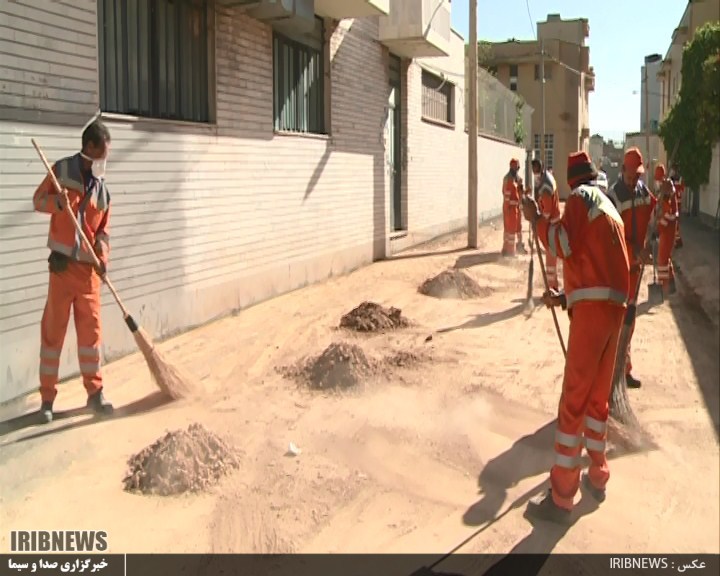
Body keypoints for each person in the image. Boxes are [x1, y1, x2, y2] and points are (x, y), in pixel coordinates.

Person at [521, 151, 630, 524]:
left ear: (571, 182)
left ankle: (562, 497)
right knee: (597, 400)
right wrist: (566, 296)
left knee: (574, 401)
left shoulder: (580, 200)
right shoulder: (609, 205)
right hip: (615, 306)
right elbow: (595, 259)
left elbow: (563, 245)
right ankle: (597, 476)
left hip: (595, 311)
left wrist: (536, 219)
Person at [33, 120, 114, 423]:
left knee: (91, 338)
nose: (105, 161)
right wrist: (57, 202)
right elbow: (37, 201)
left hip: (89, 276)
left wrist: (103, 257)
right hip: (62, 269)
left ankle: (95, 394)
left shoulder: (103, 191)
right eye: (103, 154)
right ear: (90, 147)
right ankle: (47, 401)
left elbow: (103, 232)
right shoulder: (62, 171)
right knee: (53, 335)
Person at [605, 147, 656, 390]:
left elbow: (652, 213)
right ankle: (610, 372)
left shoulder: (643, 192)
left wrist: (665, 197)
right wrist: (634, 249)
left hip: (635, 268)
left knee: (630, 320)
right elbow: (610, 238)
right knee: (617, 320)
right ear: (622, 169)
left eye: (638, 175)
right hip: (618, 267)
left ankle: (624, 370)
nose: (634, 179)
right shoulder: (613, 197)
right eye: (630, 175)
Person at [532, 158, 561, 290]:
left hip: (551, 226)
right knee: (551, 259)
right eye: (534, 170)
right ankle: (553, 285)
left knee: (550, 261)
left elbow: (547, 213)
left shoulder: (545, 186)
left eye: (536, 170)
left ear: (541, 169)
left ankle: (552, 288)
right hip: (553, 222)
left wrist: (537, 219)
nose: (535, 173)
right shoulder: (546, 178)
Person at [654, 166, 678, 297]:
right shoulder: (665, 188)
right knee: (665, 256)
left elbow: (668, 214)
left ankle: (664, 287)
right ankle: (671, 283)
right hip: (668, 228)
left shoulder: (667, 189)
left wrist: (658, 229)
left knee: (662, 259)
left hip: (668, 229)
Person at [501, 159, 527, 256]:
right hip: (510, 208)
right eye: (516, 167)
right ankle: (509, 251)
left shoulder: (518, 179)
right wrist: (508, 208)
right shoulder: (508, 179)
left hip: (516, 207)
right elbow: (506, 195)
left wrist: (524, 195)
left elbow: (520, 193)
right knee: (510, 230)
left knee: (518, 228)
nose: (517, 169)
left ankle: (518, 246)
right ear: (512, 167)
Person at [669, 163, 684, 248]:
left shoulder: (677, 179)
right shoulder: (673, 179)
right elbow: (681, 189)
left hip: (677, 202)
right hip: (674, 202)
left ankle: (676, 240)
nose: (673, 171)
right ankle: (676, 240)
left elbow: (681, 189)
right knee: (675, 221)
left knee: (676, 221)